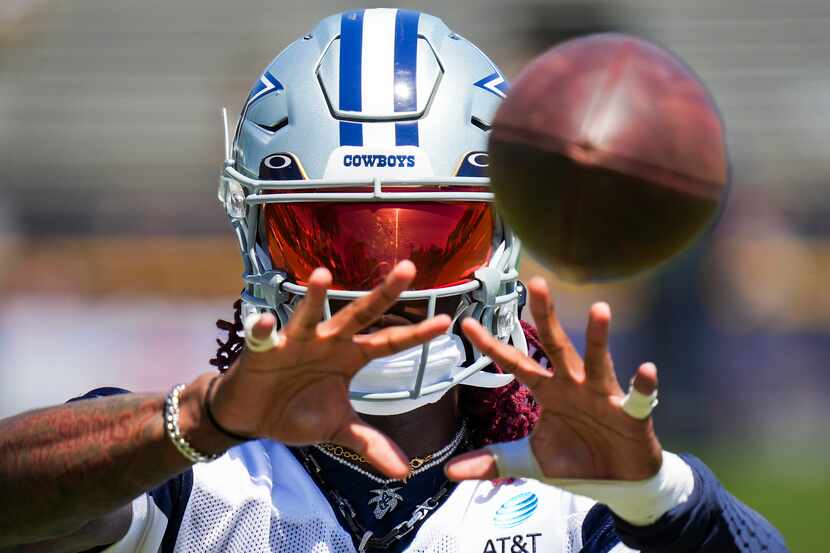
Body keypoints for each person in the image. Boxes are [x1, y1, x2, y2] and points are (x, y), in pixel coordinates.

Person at [0, 9, 787, 553]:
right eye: (333, 239)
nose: (387, 285)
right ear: (259, 237)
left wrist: (662, 496)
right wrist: (203, 418)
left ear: (502, 241)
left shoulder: (570, 504)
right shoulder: (199, 475)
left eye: (435, 240)